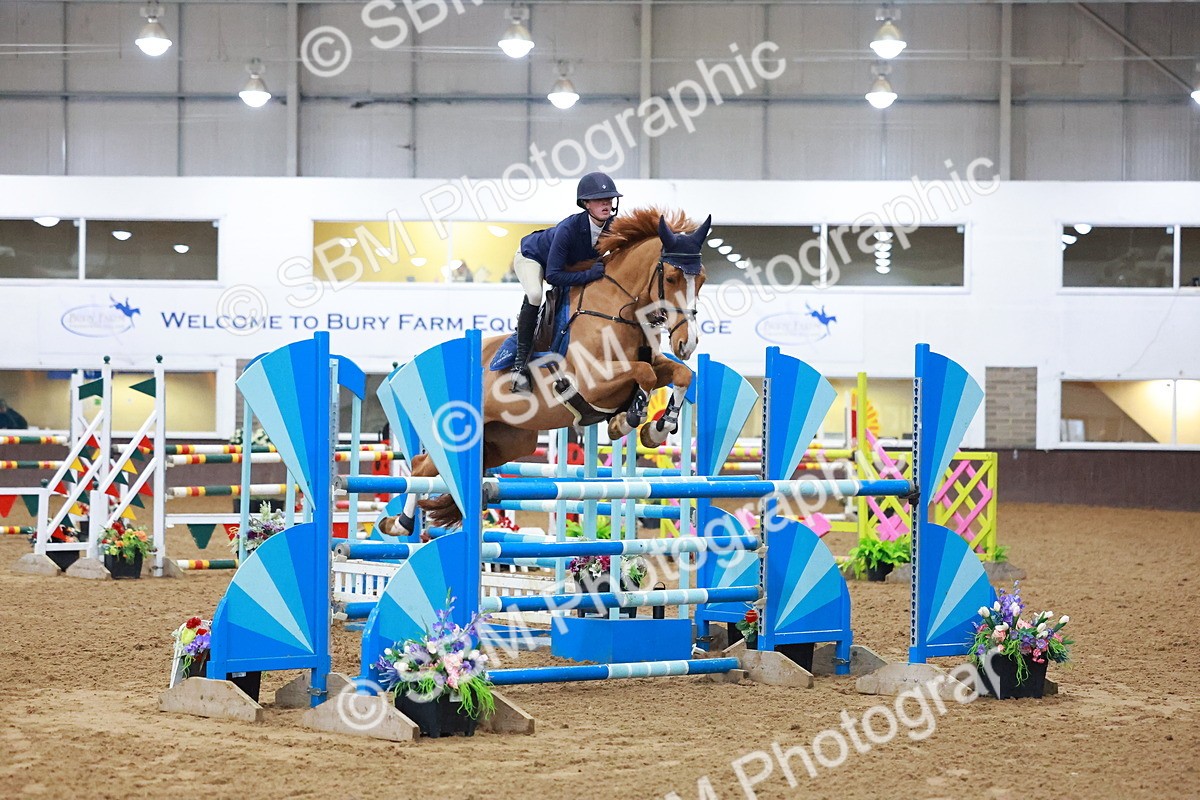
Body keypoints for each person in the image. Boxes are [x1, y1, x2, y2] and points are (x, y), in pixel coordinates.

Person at [509, 171, 622, 391]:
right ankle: (520, 365)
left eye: (609, 199)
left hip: (566, 266)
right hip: (532, 256)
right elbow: (553, 276)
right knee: (535, 294)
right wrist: (589, 275)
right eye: (599, 199)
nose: (606, 203)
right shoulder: (568, 228)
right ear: (586, 203)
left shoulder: (614, 227)